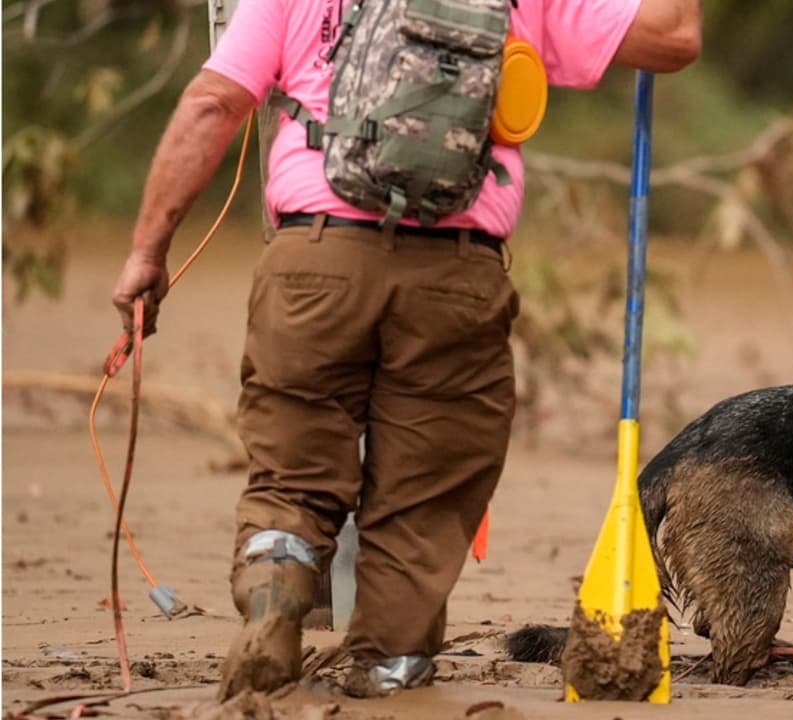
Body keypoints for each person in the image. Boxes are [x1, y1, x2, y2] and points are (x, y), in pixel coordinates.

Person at [110, 0, 700, 700]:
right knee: (425, 497)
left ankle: (275, 589)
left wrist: (148, 252)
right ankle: (389, 664)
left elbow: (212, 103)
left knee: (292, 474)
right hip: (456, 277)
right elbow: (674, 37)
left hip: (313, 266)